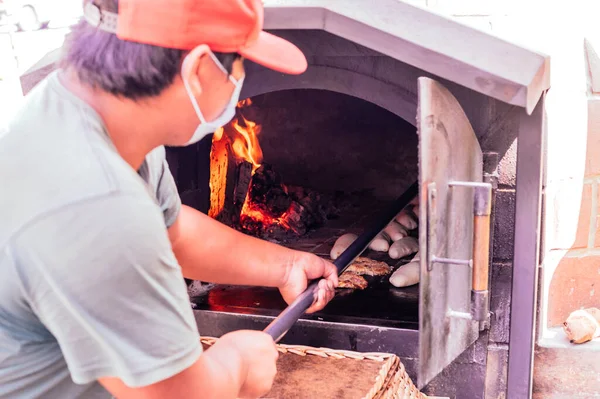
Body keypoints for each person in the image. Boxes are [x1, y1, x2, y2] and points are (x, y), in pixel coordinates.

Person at [0, 0, 339, 398]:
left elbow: (173, 233)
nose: (239, 82)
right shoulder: (95, 203)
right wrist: (239, 364)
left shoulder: (94, 114)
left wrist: (285, 266)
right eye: (238, 67)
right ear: (197, 70)